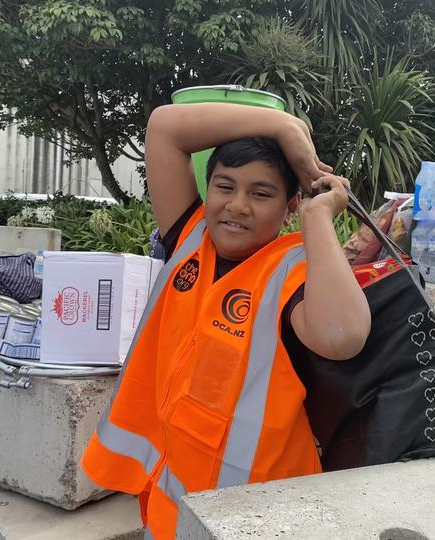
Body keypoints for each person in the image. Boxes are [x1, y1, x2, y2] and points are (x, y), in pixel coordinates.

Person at [81, 102, 371, 539]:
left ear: (290, 203)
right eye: (225, 186)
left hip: (259, 519)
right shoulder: (190, 235)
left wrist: (318, 216)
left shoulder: (293, 271)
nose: (237, 206)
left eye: (261, 193)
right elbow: (164, 126)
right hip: (170, 509)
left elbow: (343, 336)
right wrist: (282, 126)